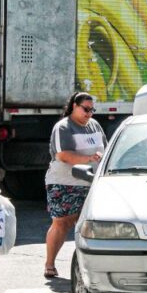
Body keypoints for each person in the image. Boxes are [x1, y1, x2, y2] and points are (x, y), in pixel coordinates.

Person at [43, 92, 106, 279]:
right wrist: (88, 158)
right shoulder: (63, 127)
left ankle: (90, 266)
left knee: (89, 224)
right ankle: (50, 264)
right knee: (62, 222)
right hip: (65, 182)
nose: (89, 113)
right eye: (85, 109)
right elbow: (63, 155)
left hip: (91, 182)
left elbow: (105, 147)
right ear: (73, 106)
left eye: (92, 110)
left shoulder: (94, 125)